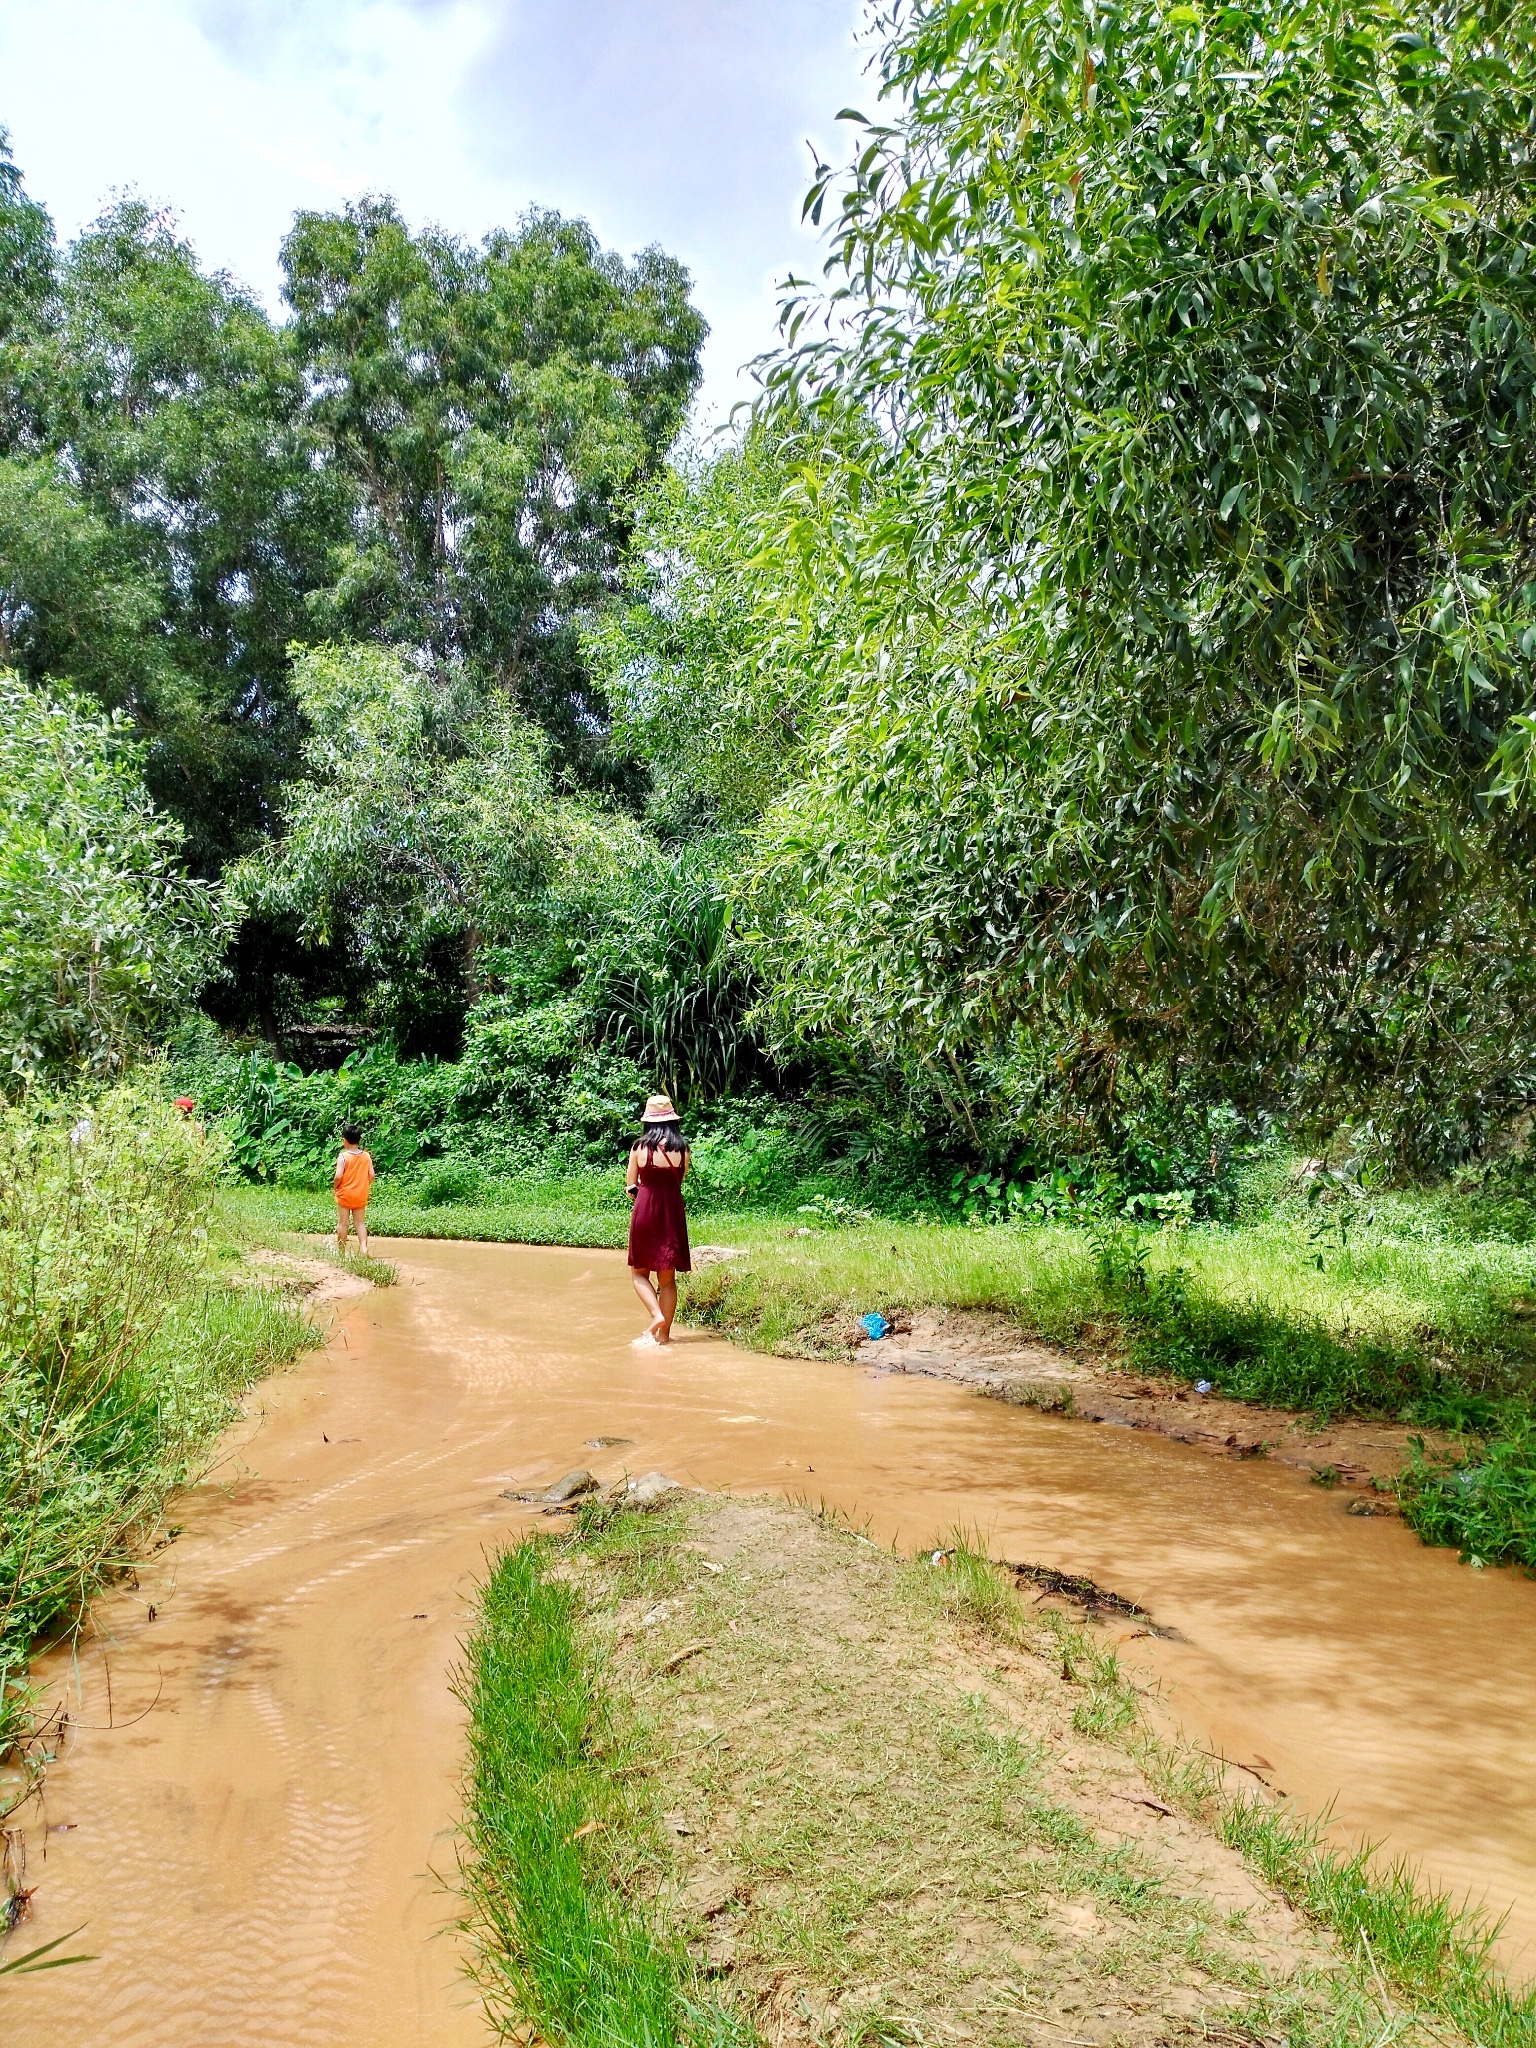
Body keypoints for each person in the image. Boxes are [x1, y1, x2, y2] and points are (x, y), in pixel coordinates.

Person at [626, 1093, 691, 1344]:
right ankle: (664, 1337)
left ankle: (655, 1315)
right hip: (671, 1211)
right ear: (672, 1120)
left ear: (648, 1121)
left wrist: (637, 1190)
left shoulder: (639, 1147)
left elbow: (631, 1183)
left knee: (639, 1273)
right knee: (667, 1279)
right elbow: (679, 1180)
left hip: (645, 1209)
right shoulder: (683, 1148)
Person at [334, 1125, 376, 1256]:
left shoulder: (343, 1156)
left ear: (344, 1140)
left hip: (345, 1193)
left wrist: (336, 1186)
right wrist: (364, 1185)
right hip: (360, 1193)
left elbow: (338, 1176)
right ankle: (364, 1248)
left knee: (343, 1223)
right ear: (359, 1140)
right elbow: (372, 1175)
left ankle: (341, 1252)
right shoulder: (366, 1156)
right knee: (360, 1223)